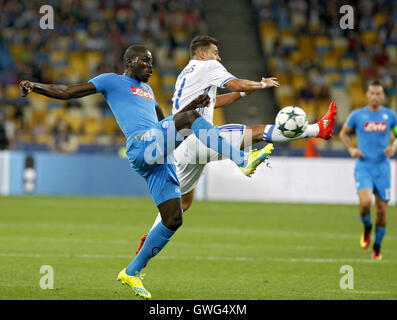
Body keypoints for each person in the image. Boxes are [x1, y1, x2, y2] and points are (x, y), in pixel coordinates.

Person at [19, 44, 273, 299]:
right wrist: (35, 86)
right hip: (142, 145)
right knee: (190, 120)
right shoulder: (111, 81)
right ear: (129, 62)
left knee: (173, 219)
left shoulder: (149, 91)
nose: (151, 66)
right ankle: (241, 159)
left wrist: (193, 105)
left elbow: (165, 124)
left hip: (158, 156)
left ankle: (132, 271)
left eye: (152, 62)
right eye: (145, 61)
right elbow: (68, 92)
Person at [136, 35, 336, 256]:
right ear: (203, 54)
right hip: (200, 138)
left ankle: (146, 247)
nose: (219, 57)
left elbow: (215, 101)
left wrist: (241, 93)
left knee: (181, 203)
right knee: (258, 132)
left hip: (183, 145)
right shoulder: (208, 66)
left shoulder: (187, 73)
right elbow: (236, 82)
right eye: (215, 52)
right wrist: (262, 84)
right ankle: (318, 129)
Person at [339, 80, 397, 260]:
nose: (375, 96)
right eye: (372, 93)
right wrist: (351, 149)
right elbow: (343, 133)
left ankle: (377, 246)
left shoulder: (390, 116)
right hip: (364, 166)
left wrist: (394, 146)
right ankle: (366, 227)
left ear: (383, 96)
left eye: (379, 94)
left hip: (382, 168)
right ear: (367, 94)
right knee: (364, 204)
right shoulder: (358, 115)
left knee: (381, 210)